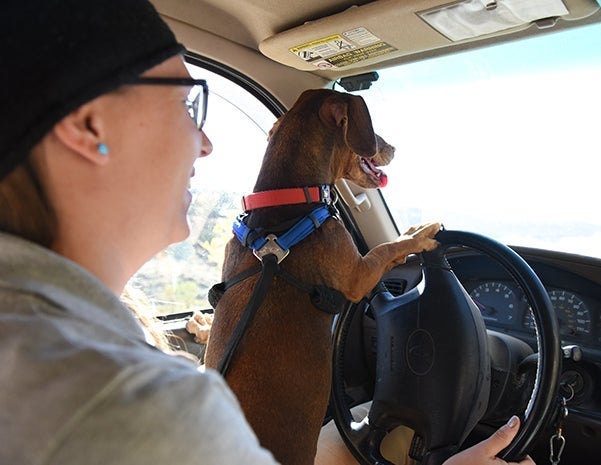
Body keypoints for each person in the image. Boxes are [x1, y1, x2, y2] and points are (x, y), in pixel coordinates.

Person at [0, 1, 534, 464]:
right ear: (90, 124)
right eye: (185, 103)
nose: (204, 143)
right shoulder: (136, 410)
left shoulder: (41, 346)